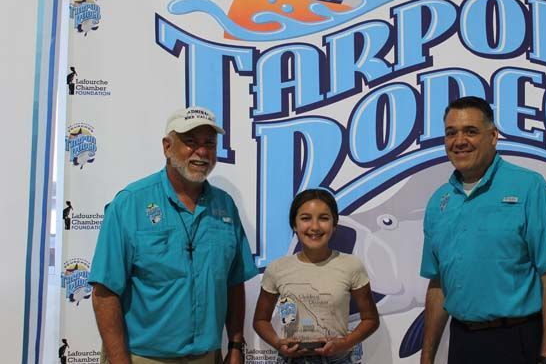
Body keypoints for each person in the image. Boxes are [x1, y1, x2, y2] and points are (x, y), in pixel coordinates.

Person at [89, 106, 258, 364]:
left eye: (209, 144)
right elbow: (105, 292)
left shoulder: (225, 207)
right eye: (190, 142)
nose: (201, 152)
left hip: (206, 357)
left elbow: (234, 283)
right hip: (142, 358)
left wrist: (235, 345)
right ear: (167, 147)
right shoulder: (129, 204)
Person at [420, 96, 546, 364]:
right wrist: (426, 357)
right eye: (451, 133)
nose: (459, 141)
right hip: (461, 343)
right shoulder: (438, 202)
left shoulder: (530, 187)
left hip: (517, 341)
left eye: (470, 131)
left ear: (493, 136)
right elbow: (438, 284)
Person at [253, 189, 379, 364]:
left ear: (334, 224)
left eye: (324, 218)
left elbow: (371, 319)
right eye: (305, 218)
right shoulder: (277, 268)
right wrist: (278, 343)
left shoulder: (352, 266)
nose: (315, 227)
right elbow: (260, 320)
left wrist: (345, 343)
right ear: (294, 225)